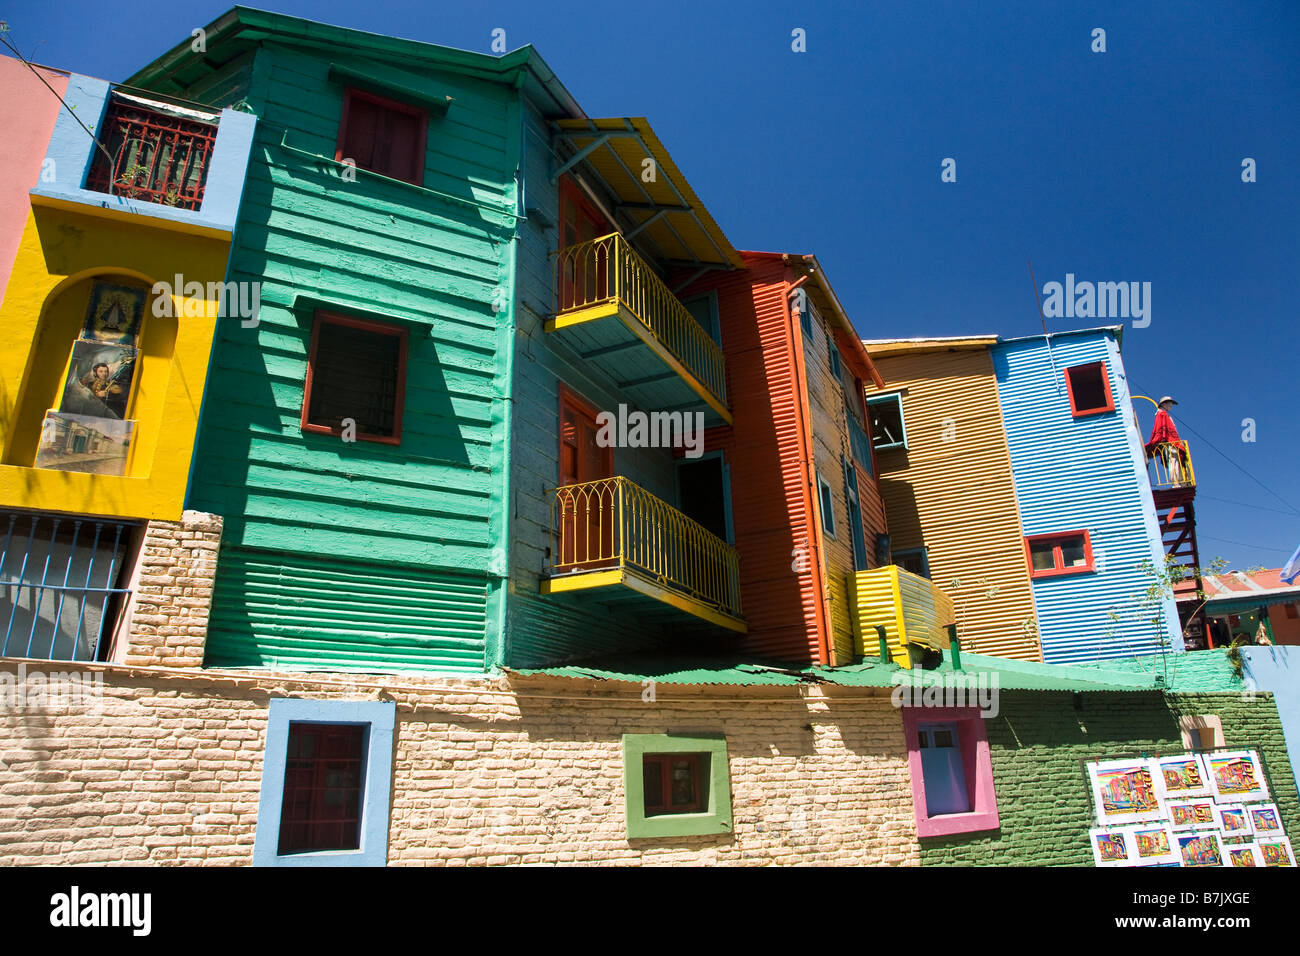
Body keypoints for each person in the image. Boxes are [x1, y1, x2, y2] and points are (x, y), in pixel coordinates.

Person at [1145, 396, 1187, 485]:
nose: (1171, 405)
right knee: (1173, 462)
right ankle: (1176, 483)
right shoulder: (1162, 414)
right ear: (1164, 404)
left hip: (1172, 442)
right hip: (1170, 443)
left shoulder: (1163, 414)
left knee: (1175, 462)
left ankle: (1178, 482)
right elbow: (1161, 429)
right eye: (1169, 403)